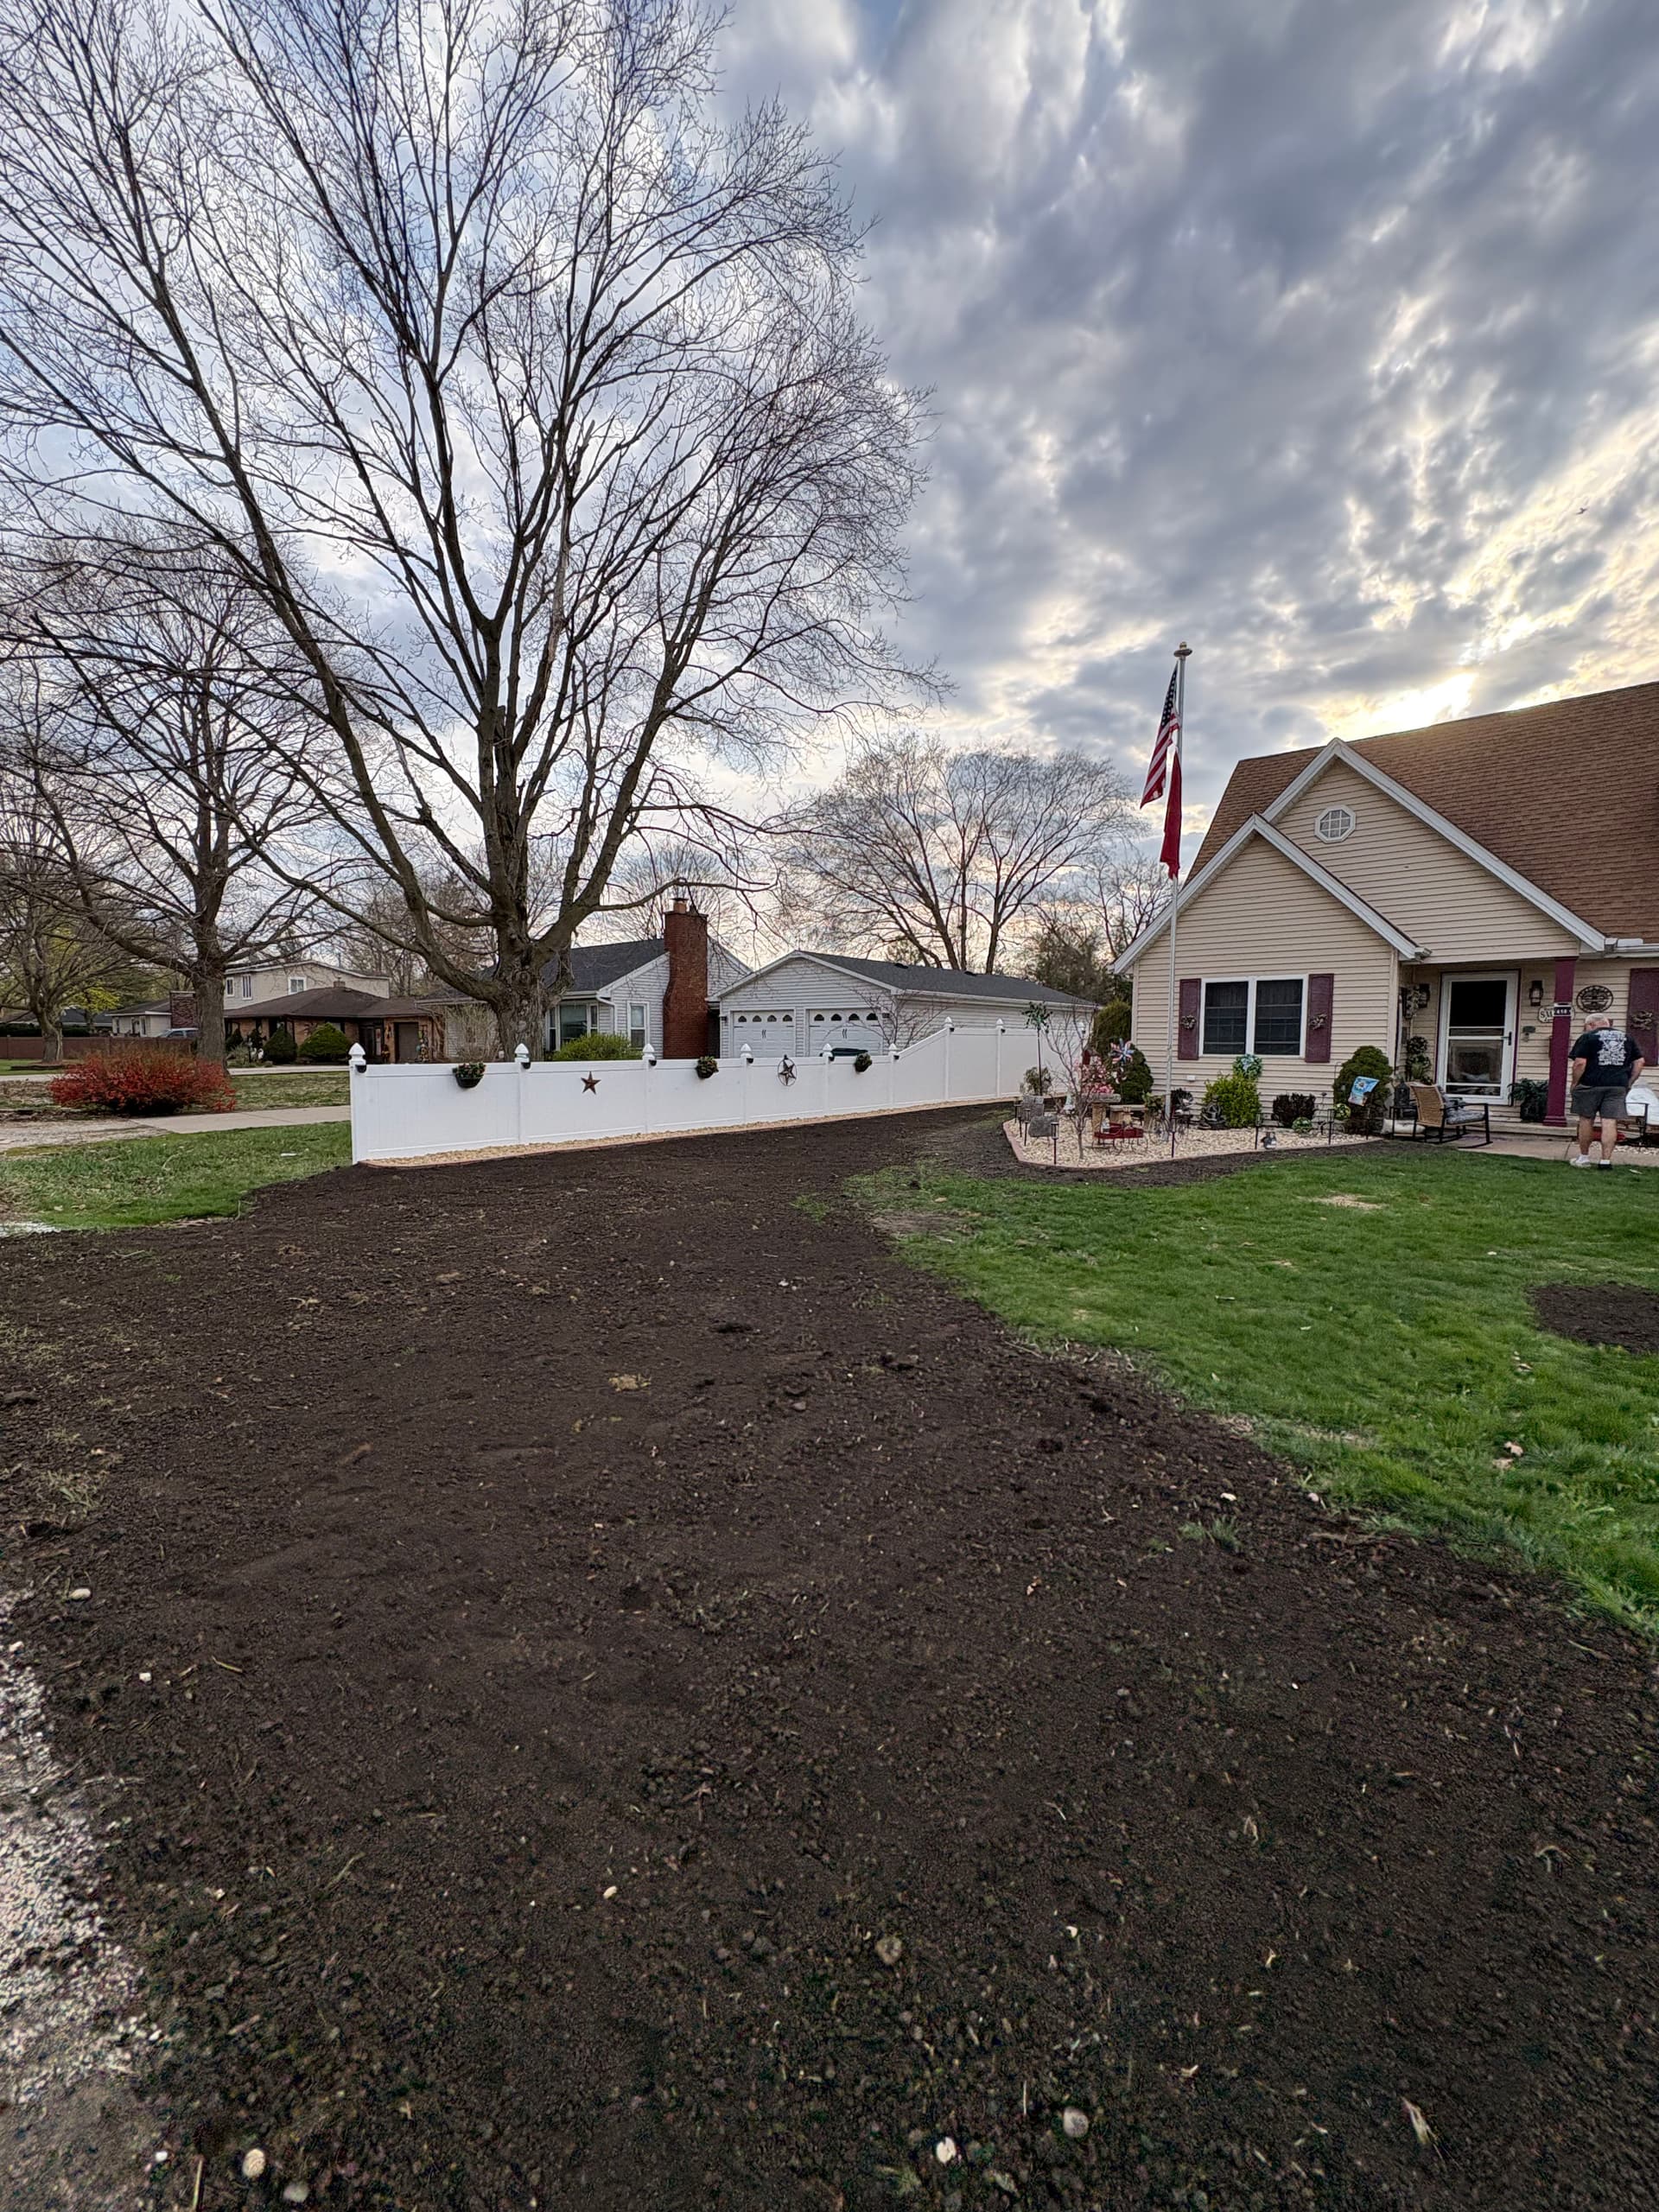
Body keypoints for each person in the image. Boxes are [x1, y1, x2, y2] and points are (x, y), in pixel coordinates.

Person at [1568, 1012, 1646, 1167]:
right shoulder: (1627, 1038)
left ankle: (1584, 1159)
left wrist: (1575, 1083)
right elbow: (1640, 1062)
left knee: (1586, 1119)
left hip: (1590, 1084)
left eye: (1586, 1026)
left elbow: (1580, 1063)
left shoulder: (1588, 1037)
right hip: (1617, 1086)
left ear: (1591, 1025)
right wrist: (1629, 1081)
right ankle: (1605, 1161)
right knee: (1609, 1121)